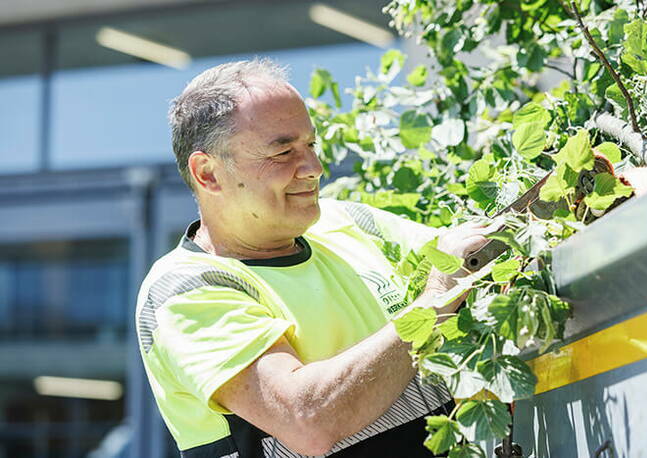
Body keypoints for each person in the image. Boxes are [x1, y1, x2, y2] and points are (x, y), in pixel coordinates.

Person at [136, 58, 489, 458]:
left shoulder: (348, 221)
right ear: (208, 174)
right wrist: (434, 301)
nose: (314, 169)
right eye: (283, 151)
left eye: (311, 145)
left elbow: (470, 259)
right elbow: (307, 419)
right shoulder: (187, 290)